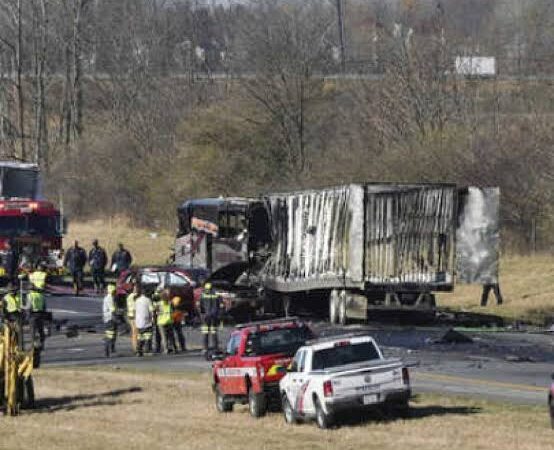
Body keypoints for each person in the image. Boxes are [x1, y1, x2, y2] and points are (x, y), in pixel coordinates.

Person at [28, 261, 49, 349]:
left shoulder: (32, 275)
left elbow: (27, 280)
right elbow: (45, 287)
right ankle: (41, 343)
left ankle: (33, 343)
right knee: (40, 326)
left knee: (33, 327)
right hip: (40, 298)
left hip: (32, 298)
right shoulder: (44, 275)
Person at [199, 282, 222, 358]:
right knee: (213, 332)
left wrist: (202, 314)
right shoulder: (216, 295)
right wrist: (218, 315)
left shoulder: (203, 295)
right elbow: (219, 306)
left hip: (206, 317)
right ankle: (215, 347)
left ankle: (205, 348)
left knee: (206, 333)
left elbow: (201, 306)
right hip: (213, 317)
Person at [134, 284, 153, 357]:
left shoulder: (137, 300)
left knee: (140, 336)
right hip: (146, 321)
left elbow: (135, 310)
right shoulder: (148, 300)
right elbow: (151, 310)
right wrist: (152, 319)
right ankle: (147, 350)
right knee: (148, 336)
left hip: (138, 321)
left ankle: (139, 350)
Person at [156, 289, 176, 354]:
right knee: (171, 336)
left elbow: (156, 312)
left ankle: (166, 349)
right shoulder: (170, 303)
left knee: (163, 336)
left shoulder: (159, 304)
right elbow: (173, 310)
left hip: (161, 321)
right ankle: (174, 348)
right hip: (169, 320)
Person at [103, 284, 118, 357]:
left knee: (112, 335)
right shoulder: (110, 298)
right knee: (110, 335)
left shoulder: (110, 298)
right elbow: (113, 310)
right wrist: (117, 318)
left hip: (108, 319)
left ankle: (111, 349)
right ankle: (107, 351)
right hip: (110, 319)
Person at [126, 284, 139, 352]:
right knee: (135, 332)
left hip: (130, 315)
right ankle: (136, 347)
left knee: (134, 332)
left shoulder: (129, 297)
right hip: (134, 316)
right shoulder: (135, 296)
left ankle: (134, 346)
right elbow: (134, 308)